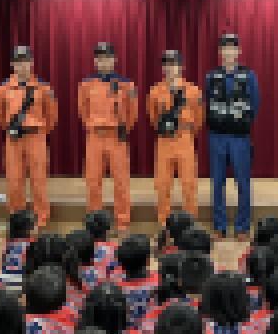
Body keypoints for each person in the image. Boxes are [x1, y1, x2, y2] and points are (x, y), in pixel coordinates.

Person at [205, 32, 261, 241]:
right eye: (225, 48)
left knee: (243, 183)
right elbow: (206, 102)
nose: (228, 52)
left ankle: (242, 227)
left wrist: (241, 123)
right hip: (217, 136)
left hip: (239, 138)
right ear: (220, 52)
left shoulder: (249, 76)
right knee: (217, 183)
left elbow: (255, 104)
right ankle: (219, 226)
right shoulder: (211, 77)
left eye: (232, 48)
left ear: (238, 51)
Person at [0, 44, 57, 228]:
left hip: (36, 137)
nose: (22, 65)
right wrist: (12, 128)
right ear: (12, 64)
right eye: (18, 62)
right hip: (14, 139)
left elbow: (51, 115)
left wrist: (39, 130)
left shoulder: (43, 88)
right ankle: (17, 219)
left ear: (32, 63)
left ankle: (41, 219)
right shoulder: (3, 88)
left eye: (25, 61)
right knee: (14, 181)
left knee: (38, 180)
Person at [80, 42, 138, 233]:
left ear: (114, 60)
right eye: (99, 58)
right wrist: (94, 126)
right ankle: (95, 222)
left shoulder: (126, 84)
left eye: (107, 58)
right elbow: (83, 110)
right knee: (93, 181)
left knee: (121, 181)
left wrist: (122, 128)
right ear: (95, 61)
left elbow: (132, 112)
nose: (103, 62)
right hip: (95, 137)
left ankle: (122, 221)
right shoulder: (86, 84)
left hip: (116, 137)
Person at [148, 49, 203, 227]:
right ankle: (164, 223)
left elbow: (199, 117)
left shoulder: (193, 91)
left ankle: (190, 223)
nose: (170, 68)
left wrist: (186, 132)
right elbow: (153, 116)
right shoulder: (155, 91)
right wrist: (165, 130)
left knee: (188, 184)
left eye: (174, 64)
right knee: (163, 185)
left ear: (181, 66)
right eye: (166, 64)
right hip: (164, 141)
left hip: (185, 139)